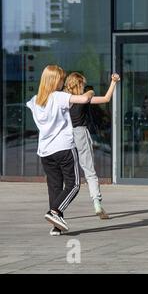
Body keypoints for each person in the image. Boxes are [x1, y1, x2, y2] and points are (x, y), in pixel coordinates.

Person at [26, 65, 95, 236]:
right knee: (74, 185)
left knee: (55, 187)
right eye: (62, 79)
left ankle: (56, 226)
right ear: (55, 80)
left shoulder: (35, 100)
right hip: (63, 148)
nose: (63, 82)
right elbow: (84, 99)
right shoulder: (58, 97)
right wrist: (90, 92)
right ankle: (54, 212)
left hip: (45, 151)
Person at [64, 72, 121, 219]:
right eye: (83, 84)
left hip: (65, 135)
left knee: (64, 174)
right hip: (81, 134)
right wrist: (113, 82)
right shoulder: (84, 98)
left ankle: (58, 209)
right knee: (89, 171)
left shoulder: (62, 98)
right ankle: (97, 203)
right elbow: (106, 99)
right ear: (79, 84)